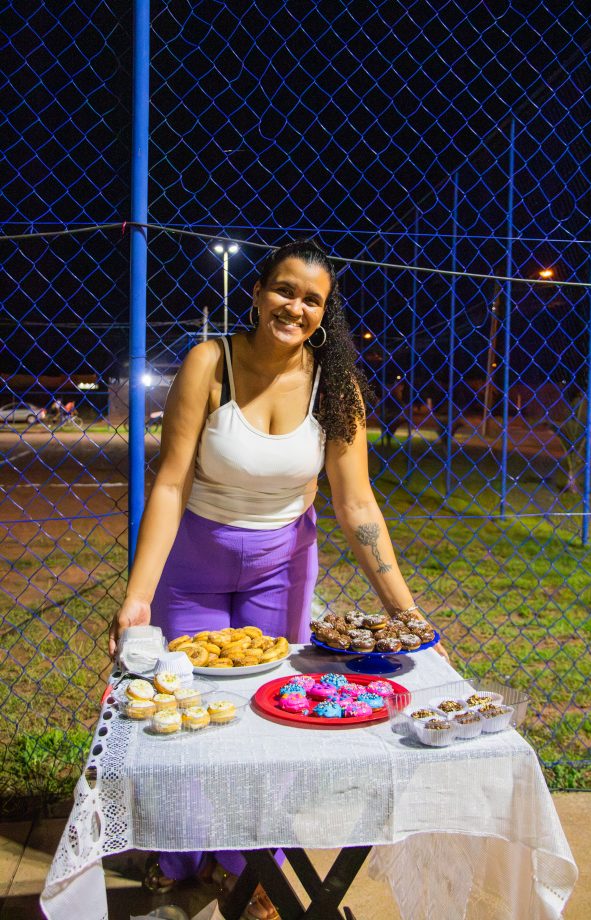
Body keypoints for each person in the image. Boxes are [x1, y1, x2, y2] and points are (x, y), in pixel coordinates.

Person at [109, 239, 447, 918]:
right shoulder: (211, 362)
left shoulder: (334, 382)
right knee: (191, 711)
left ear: (324, 314)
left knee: (270, 717)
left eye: (311, 299)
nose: (294, 306)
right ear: (258, 292)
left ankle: (249, 873)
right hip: (195, 566)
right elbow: (170, 485)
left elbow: (355, 506)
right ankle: (182, 854)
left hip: (282, 567)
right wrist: (137, 600)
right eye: (284, 290)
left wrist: (409, 618)